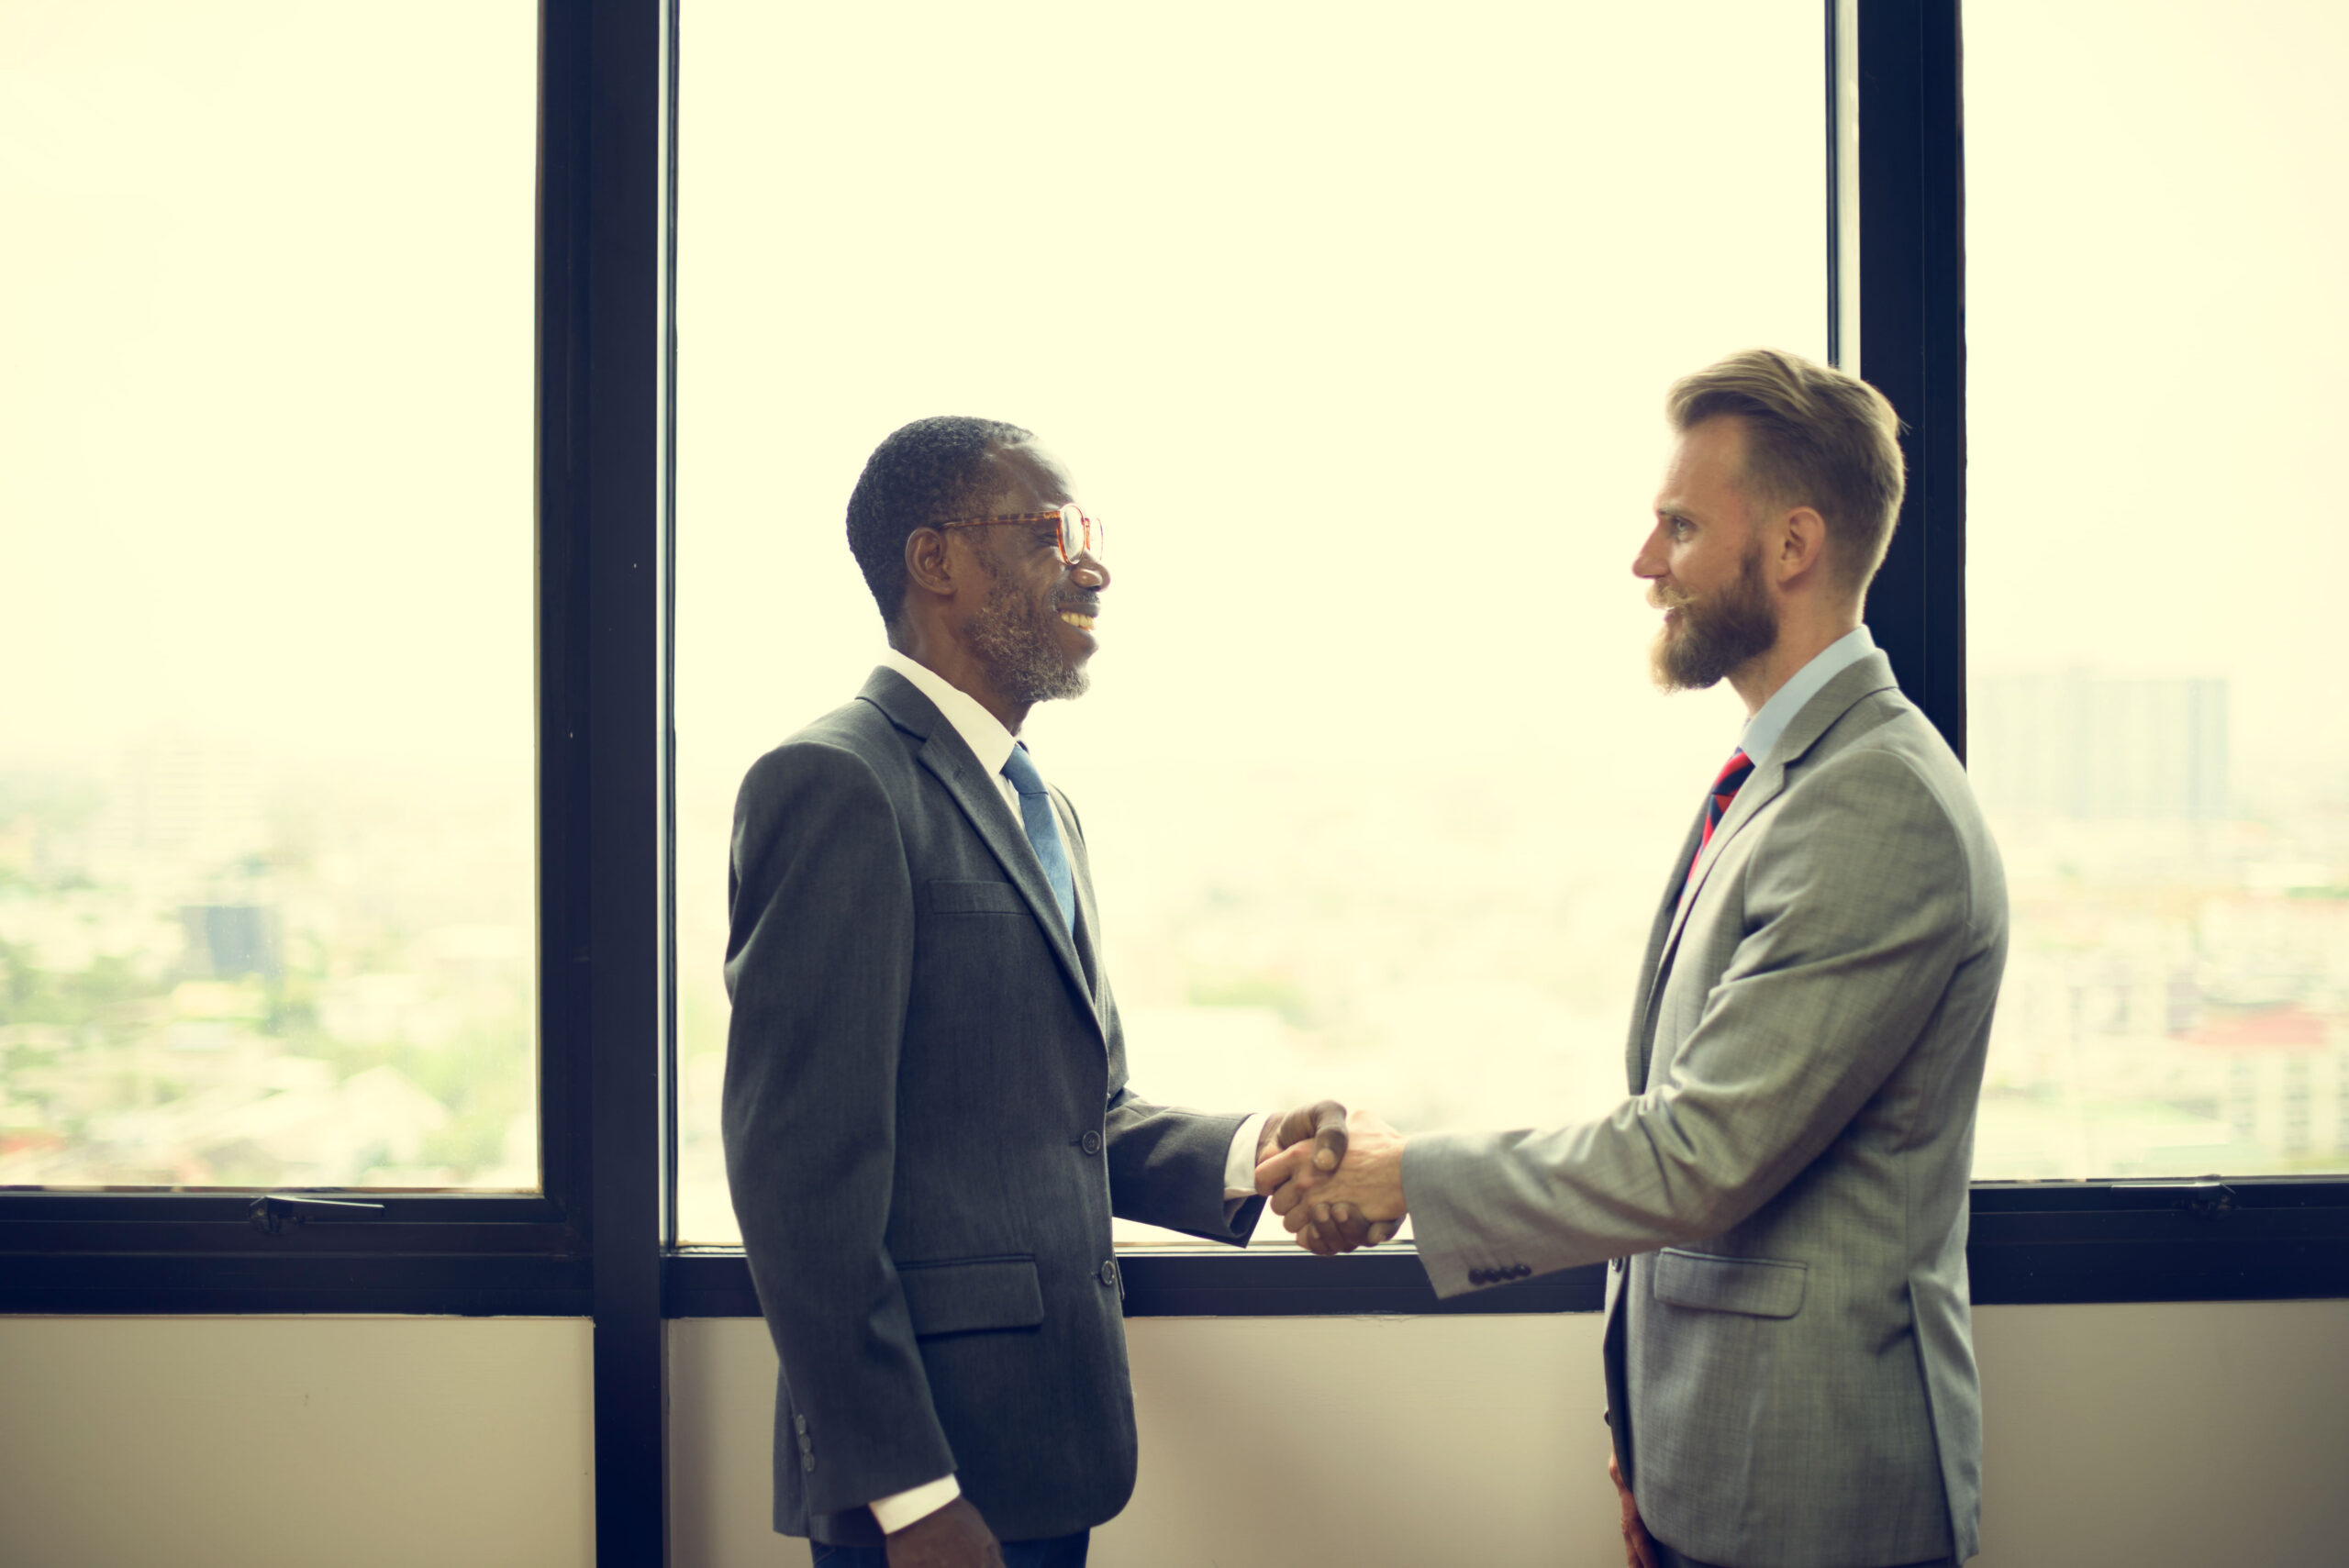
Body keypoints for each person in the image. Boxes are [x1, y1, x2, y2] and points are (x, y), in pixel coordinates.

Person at [1257, 350, 2009, 1568]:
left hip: (1814, 1502)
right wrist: (1654, 1456)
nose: (1644, 562)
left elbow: (1701, 1153)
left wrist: (1407, 1178)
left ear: (1792, 546)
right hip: (1716, 1470)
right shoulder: (1790, 779)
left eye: (1678, 525)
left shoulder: (1878, 806)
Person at [723, 415, 1350, 1568]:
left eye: (1087, 534)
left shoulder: (1038, 804)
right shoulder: (837, 781)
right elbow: (798, 1183)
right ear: (936, 560)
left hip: (1041, 1446)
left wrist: (1254, 1144)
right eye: (1053, 530)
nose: (1092, 562)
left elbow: (1077, 1112)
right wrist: (909, 1496)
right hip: (925, 1484)